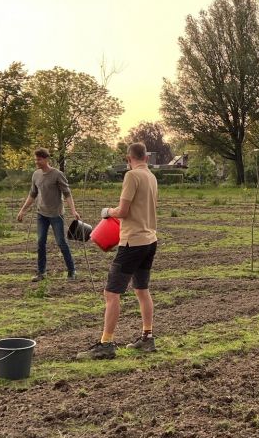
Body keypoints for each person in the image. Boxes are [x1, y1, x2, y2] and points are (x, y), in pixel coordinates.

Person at [77, 142, 158, 360]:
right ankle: (148, 338)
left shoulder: (132, 177)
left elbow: (122, 211)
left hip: (132, 242)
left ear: (128, 158)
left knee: (111, 293)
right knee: (142, 289)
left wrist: (107, 211)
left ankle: (106, 344)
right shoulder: (151, 176)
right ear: (146, 158)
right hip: (150, 240)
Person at [17, 148, 80, 281]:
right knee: (40, 242)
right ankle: (41, 273)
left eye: (39, 159)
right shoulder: (36, 175)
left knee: (61, 242)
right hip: (41, 214)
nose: (37, 162)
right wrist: (23, 210)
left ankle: (72, 271)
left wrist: (73, 210)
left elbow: (67, 194)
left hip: (56, 214)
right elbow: (32, 194)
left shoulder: (57, 174)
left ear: (46, 159)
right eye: (36, 159)